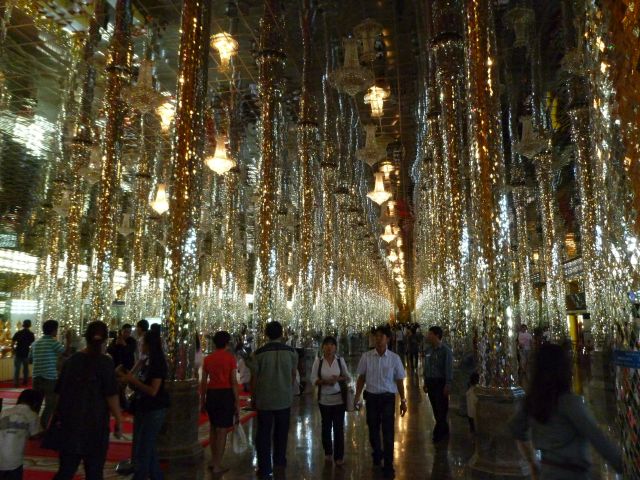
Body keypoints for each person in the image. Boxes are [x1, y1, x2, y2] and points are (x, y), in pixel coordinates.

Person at [509, 343, 623, 479]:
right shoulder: (570, 403)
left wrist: (532, 462)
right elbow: (597, 437)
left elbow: (516, 429)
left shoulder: (531, 401)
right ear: (563, 369)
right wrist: (623, 466)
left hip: (547, 472)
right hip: (573, 474)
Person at [52, 321, 123, 480]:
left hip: (70, 423)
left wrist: (55, 417)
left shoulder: (72, 361)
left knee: (66, 470)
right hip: (95, 425)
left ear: (86, 337)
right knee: (94, 472)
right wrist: (118, 420)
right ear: (105, 340)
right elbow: (111, 395)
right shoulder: (105, 363)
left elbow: (59, 394)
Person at [353, 325, 407, 479]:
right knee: (373, 429)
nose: (378, 339)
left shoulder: (394, 358)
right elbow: (361, 378)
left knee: (388, 432)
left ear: (388, 339)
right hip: (371, 397)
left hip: (388, 398)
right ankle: (377, 452)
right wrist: (357, 397)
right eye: (376, 336)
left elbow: (399, 381)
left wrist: (403, 400)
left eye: (381, 336)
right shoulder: (366, 357)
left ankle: (388, 465)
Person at [118, 329, 170, 480]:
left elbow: (153, 391)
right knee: (147, 447)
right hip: (144, 406)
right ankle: (156, 476)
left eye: (142, 342)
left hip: (155, 409)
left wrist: (133, 381)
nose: (139, 345)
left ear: (149, 344)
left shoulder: (158, 363)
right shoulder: (147, 361)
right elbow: (138, 381)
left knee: (144, 449)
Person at [250, 321, 298, 480]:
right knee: (282, 432)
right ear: (282, 333)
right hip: (284, 399)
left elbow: (254, 378)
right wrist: (288, 389)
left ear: (266, 334)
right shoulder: (291, 352)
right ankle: (280, 461)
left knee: (263, 434)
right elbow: (292, 375)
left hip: (265, 399)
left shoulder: (259, 353)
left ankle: (264, 467)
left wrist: (253, 397)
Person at [200, 331, 240, 475]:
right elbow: (233, 381)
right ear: (227, 343)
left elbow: (204, 381)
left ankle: (213, 460)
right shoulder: (230, 359)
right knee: (222, 430)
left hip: (212, 394)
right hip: (225, 394)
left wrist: (202, 400)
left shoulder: (208, 359)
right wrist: (236, 401)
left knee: (213, 427)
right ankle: (217, 464)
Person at [310, 336, 350, 466]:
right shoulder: (318, 362)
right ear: (323, 347)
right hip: (324, 400)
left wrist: (338, 379)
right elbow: (313, 378)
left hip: (339, 399)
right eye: (326, 345)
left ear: (335, 347)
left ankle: (339, 456)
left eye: (332, 345)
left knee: (338, 428)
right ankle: (328, 452)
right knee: (326, 427)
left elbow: (347, 377)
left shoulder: (340, 361)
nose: (329, 347)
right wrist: (324, 382)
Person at [0, 389, 43, 479]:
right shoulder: (33, 415)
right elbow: (35, 434)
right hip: (14, 461)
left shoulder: (4, 412)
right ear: (36, 403)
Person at [30, 319, 65, 429]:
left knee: (36, 403)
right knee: (50, 404)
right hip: (49, 377)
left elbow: (30, 359)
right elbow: (66, 353)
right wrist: (68, 340)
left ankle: (32, 427)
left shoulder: (35, 343)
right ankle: (42, 426)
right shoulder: (53, 342)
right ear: (54, 330)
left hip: (36, 376)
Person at [423, 325, 453, 443]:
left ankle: (439, 432)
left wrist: (448, 383)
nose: (428, 336)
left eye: (430, 334)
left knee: (441, 408)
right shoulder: (428, 350)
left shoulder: (446, 351)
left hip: (440, 382)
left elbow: (448, 368)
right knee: (435, 407)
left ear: (437, 335)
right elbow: (427, 366)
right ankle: (444, 429)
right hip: (431, 381)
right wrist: (425, 381)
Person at [12, 320, 35, 388]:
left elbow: (13, 342)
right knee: (26, 369)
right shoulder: (31, 334)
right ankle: (25, 381)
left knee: (17, 369)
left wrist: (13, 349)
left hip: (18, 352)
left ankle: (16, 383)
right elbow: (32, 344)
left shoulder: (18, 332)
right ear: (30, 325)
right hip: (26, 353)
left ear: (23, 325)